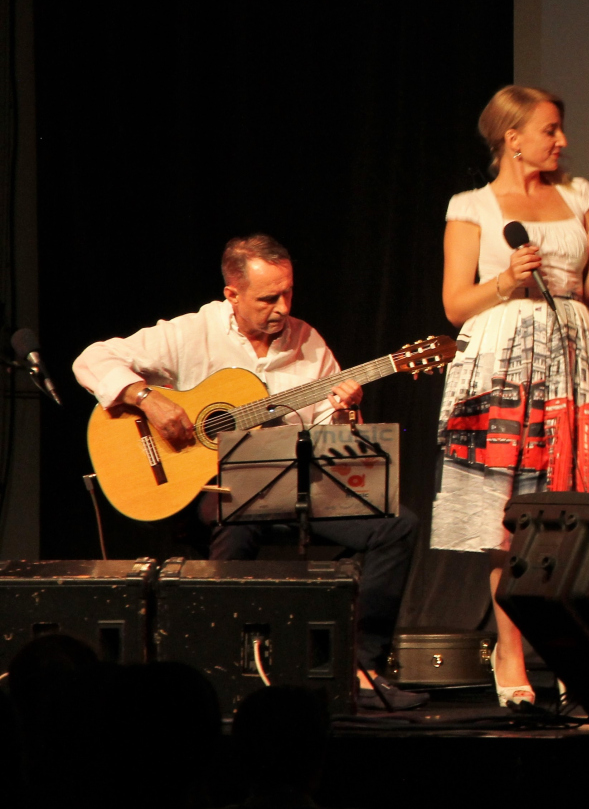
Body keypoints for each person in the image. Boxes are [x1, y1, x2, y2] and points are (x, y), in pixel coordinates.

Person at [72, 234, 424, 712]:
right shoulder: (190, 332)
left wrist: (344, 411)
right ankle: (219, 665)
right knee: (239, 511)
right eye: (268, 298)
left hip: (292, 488)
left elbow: (331, 439)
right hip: (213, 491)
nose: (283, 308)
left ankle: (359, 669)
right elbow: (91, 359)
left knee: (398, 525)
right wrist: (147, 399)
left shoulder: (308, 341)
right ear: (232, 295)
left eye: (288, 293)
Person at [430, 84, 589, 709]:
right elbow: (455, 304)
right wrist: (505, 280)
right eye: (550, 130)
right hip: (501, 362)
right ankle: (511, 651)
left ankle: (572, 649)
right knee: (508, 515)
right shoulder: (472, 207)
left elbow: (587, 294)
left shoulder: (579, 195)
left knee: (573, 507)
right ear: (512, 137)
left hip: (572, 356)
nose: (562, 141)